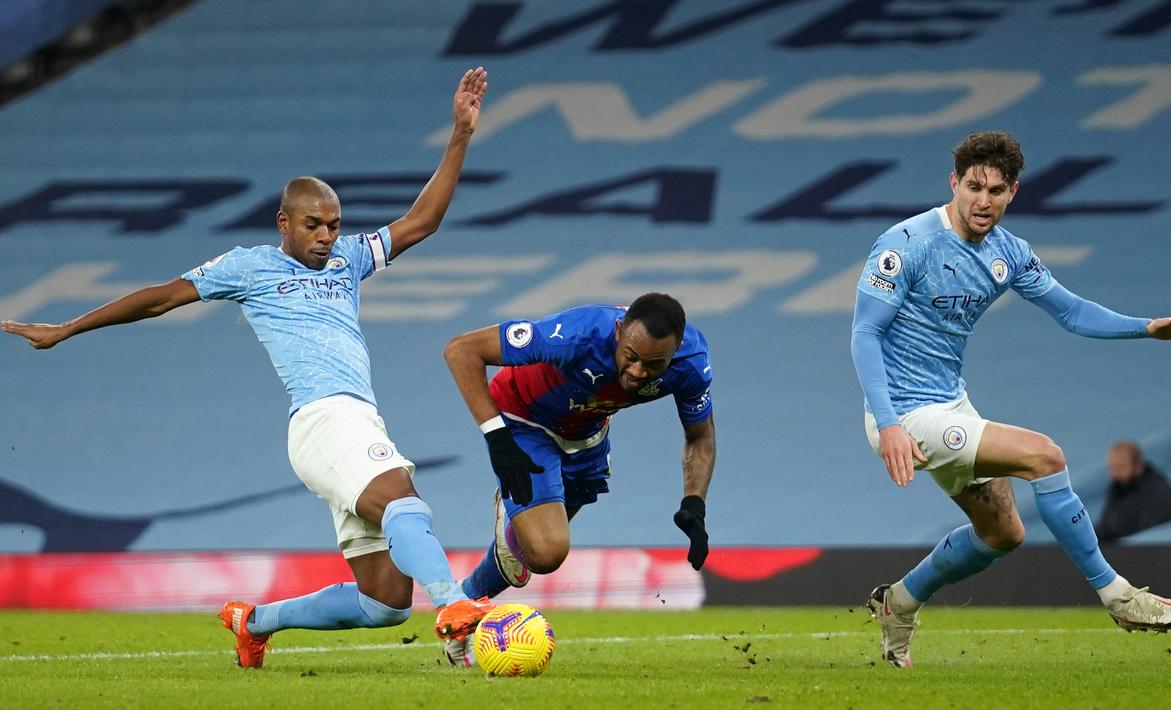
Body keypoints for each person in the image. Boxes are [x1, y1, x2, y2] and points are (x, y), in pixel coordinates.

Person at [2, 67, 494, 669]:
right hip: (323, 418)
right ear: (283, 224)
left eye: (334, 224)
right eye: (313, 225)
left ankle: (255, 622)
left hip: (353, 421)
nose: (326, 236)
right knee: (404, 505)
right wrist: (68, 328)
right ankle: (454, 612)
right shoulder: (249, 267)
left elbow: (421, 222)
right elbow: (160, 296)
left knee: (385, 602)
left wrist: (460, 136)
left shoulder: (347, 260)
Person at [850, 130, 1171, 668]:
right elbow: (865, 334)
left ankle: (898, 601)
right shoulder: (907, 243)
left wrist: (1147, 328)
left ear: (1012, 192)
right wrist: (889, 422)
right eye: (973, 187)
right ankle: (1119, 596)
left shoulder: (1009, 253)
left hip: (950, 403)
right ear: (954, 183)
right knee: (1046, 455)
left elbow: (1072, 311)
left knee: (1002, 533)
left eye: (996, 190)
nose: (982, 200)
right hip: (902, 412)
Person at [440, 293, 716, 664]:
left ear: (676, 350)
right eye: (630, 357)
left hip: (586, 435)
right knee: (547, 551)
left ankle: (460, 607)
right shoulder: (576, 334)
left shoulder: (691, 363)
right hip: (524, 421)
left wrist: (694, 504)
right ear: (619, 332)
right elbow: (461, 350)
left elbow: (700, 437)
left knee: (524, 557)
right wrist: (499, 440)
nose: (637, 372)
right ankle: (512, 515)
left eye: (653, 365)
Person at [1095, 440, 1171, 542]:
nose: (1115, 474)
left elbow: (1150, 536)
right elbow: (1106, 527)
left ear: (1138, 467)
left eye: (1120, 467)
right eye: (1111, 468)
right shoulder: (1117, 488)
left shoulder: (1157, 492)